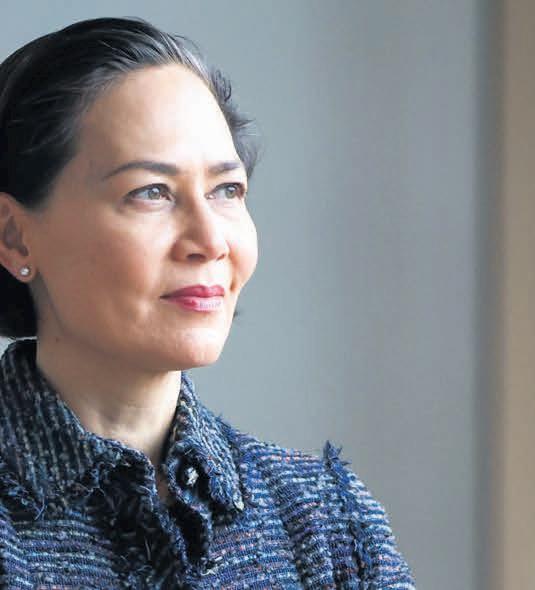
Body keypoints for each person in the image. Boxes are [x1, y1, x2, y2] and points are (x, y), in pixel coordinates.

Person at [0, 17, 414, 588]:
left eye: (227, 190)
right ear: (15, 237)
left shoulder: (325, 522)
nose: (211, 240)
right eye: (151, 192)